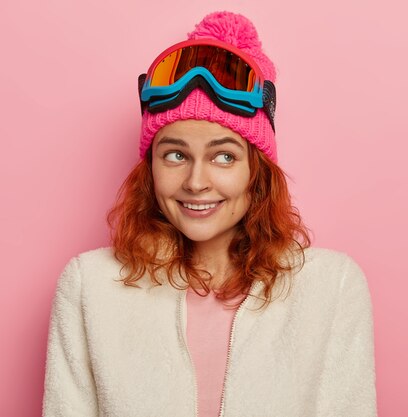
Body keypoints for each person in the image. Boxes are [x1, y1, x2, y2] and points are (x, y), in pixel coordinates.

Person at [43, 11, 377, 417]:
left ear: (257, 172)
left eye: (223, 156)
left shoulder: (331, 288)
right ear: (150, 168)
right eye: (175, 155)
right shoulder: (89, 288)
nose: (196, 181)